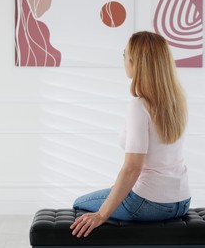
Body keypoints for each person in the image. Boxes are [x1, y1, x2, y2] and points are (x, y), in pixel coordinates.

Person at [70, 31, 191, 238]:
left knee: (80, 204)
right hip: (182, 201)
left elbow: (133, 168)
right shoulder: (175, 102)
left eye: (125, 54)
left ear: (137, 63)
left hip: (149, 202)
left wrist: (100, 215)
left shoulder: (140, 106)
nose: (124, 59)